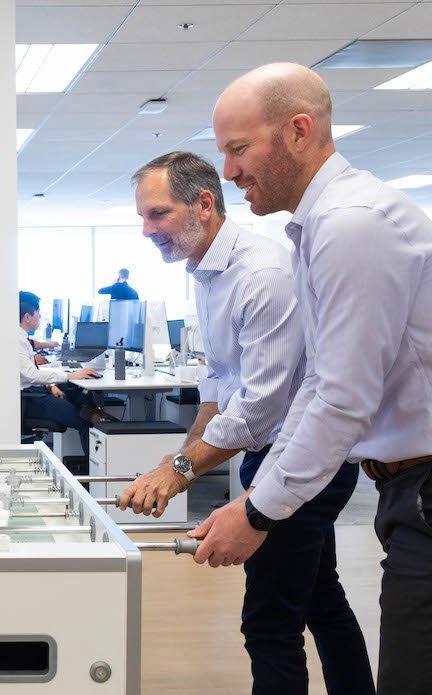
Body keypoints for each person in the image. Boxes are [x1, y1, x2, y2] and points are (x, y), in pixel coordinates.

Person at [194, 62, 432, 695]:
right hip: (400, 490)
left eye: (239, 149)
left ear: (299, 131)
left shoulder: (351, 224)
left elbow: (342, 397)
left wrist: (260, 512)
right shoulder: (318, 226)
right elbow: (317, 386)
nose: (229, 171)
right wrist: (256, 499)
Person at [121, 151, 373, 694]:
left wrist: (183, 471)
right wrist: (178, 458)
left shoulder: (262, 273)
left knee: (269, 619)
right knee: (319, 598)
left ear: (204, 205)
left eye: (158, 214)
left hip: (305, 458)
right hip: (272, 452)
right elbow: (220, 384)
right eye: (142, 217)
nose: (146, 230)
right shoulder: (205, 271)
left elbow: (259, 407)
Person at [18, 291, 99, 452]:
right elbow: (31, 375)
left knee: (79, 395)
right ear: (28, 317)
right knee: (85, 420)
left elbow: (28, 373)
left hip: (35, 392)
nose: (40, 317)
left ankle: (94, 413)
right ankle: (92, 474)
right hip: (30, 400)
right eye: (38, 314)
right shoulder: (17, 340)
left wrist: (50, 384)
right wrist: (70, 375)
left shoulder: (21, 338)